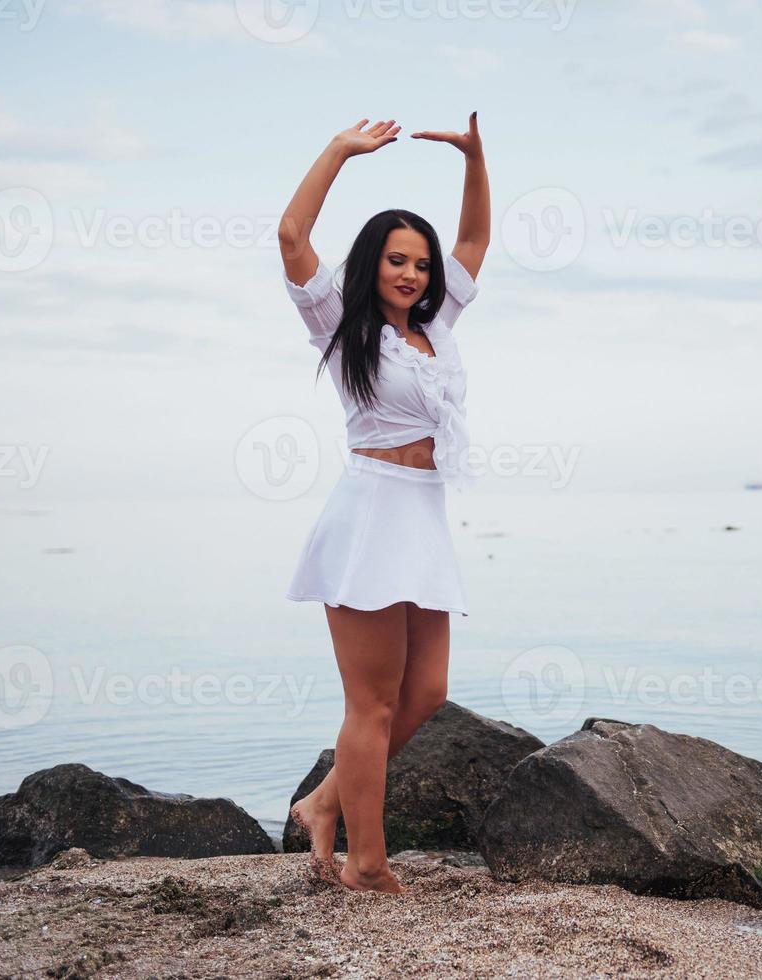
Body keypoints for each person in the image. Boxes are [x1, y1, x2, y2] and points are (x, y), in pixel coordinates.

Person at [276, 112, 490, 893]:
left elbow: (473, 245)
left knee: (426, 692)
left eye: (420, 265)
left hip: (423, 514)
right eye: (398, 260)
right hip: (369, 514)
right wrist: (338, 151)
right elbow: (293, 236)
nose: (412, 274)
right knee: (369, 705)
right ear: (372, 264)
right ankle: (366, 862)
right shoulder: (339, 325)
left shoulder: (437, 326)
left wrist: (474, 160)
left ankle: (324, 802)